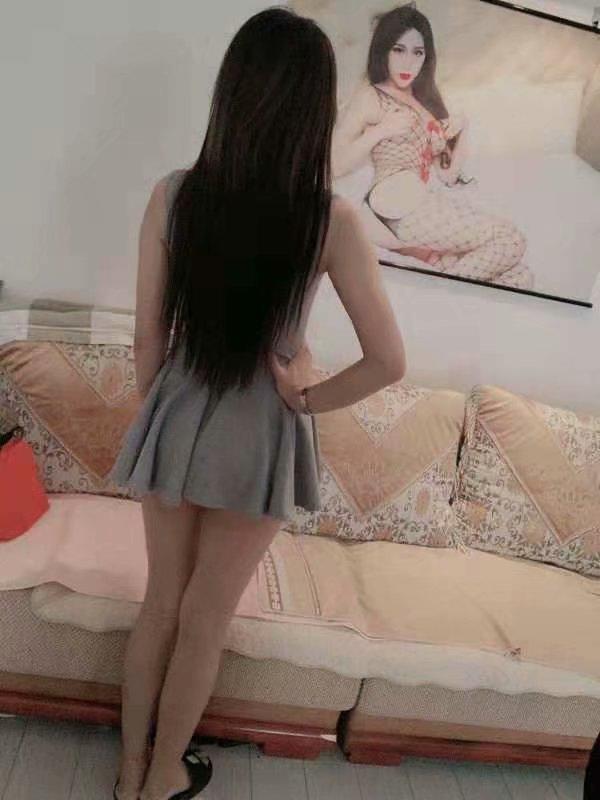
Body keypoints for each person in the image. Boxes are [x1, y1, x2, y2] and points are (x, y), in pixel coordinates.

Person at [107, 7, 406, 800]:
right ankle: (165, 776)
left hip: (177, 410)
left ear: (232, 92)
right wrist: (306, 395)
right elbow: (388, 361)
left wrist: (162, 413)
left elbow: (146, 336)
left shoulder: (175, 195)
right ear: (313, 109)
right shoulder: (329, 220)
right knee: (205, 618)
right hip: (261, 430)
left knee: (159, 607)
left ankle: (127, 774)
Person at [332, 3, 535, 290]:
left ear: (427, 57)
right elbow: (336, 164)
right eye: (398, 50)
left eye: (418, 52)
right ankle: (444, 287)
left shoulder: (425, 103)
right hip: (396, 203)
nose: (408, 63)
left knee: (521, 277)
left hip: (426, 201)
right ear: (383, 50)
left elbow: (448, 175)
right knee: (510, 239)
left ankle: (443, 288)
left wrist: (463, 129)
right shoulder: (372, 97)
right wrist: (381, 130)